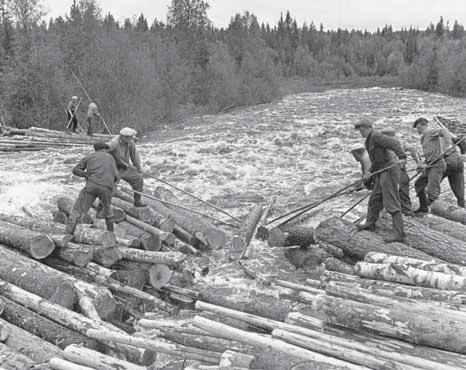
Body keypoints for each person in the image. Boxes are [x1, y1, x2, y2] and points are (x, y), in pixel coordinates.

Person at [354, 118, 407, 243]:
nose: (359, 133)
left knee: (391, 202)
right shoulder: (370, 139)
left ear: (363, 128)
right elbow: (377, 160)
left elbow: (394, 143)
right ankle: (370, 223)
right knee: (375, 199)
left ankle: (399, 234)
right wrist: (369, 172)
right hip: (381, 170)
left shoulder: (376, 136)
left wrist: (402, 157)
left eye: (359, 130)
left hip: (389, 170)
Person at [65, 142, 119, 234]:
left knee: (78, 210)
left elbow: (75, 170)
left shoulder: (89, 157)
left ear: (95, 149)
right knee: (108, 211)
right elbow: (116, 176)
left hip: (91, 186)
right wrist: (112, 184)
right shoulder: (111, 158)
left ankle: (67, 234)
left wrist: (85, 174)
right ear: (105, 149)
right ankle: (111, 234)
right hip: (107, 188)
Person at [381, 127, 422, 216]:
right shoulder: (400, 142)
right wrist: (418, 163)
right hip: (402, 172)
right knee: (403, 194)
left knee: (392, 194)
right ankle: (407, 212)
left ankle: (398, 213)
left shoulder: (385, 144)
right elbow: (412, 149)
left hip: (392, 172)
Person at [413, 118, 450, 213]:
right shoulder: (423, 138)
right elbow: (429, 153)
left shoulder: (431, 132)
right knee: (418, 184)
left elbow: (444, 131)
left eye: (417, 128)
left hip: (437, 165)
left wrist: (447, 145)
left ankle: (437, 211)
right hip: (430, 165)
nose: (417, 130)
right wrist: (422, 164)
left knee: (432, 191)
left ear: (421, 126)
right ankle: (423, 207)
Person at [107, 127, 146, 207]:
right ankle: (103, 207)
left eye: (132, 137)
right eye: (130, 137)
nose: (132, 139)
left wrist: (139, 168)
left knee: (138, 178)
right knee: (110, 188)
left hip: (124, 167)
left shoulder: (130, 142)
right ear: (123, 136)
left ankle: (137, 201)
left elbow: (134, 156)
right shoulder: (114, 143)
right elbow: (101, 152)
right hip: (113, 168)